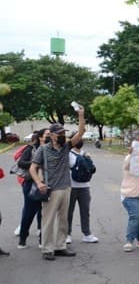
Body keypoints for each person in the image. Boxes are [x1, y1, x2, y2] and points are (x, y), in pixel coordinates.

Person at [30, 106, 86, 261]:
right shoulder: (43, 150)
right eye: (60, 133)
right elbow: (33, 168)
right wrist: (39, 183)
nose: (63, 135)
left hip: (66, 188)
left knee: (63, 219)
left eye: (64, 133)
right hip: (51, 189)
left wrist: (81, 115)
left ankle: (60, 246)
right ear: (52, 135)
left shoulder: (66, 147)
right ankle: (47, 249)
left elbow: (81, 132)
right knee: (48, 220)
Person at [66, 135, 99, 244]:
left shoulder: (84, 154)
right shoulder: (68, 154)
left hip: (84, 186)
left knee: (85, 211)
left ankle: (87, 233)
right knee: (68, 212)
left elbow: (92, 169)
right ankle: (67, 233)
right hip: (71, 187)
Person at [16, 130, 45, 249]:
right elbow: (21, 163)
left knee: (44, 213)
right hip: (31, 184)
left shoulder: (52, 149)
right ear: (40, 138)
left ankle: (42, 239)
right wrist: (36, 164)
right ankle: (22, 239)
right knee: (29, 212)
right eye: (47, 135)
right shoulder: (31, 149)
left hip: (46, 185)